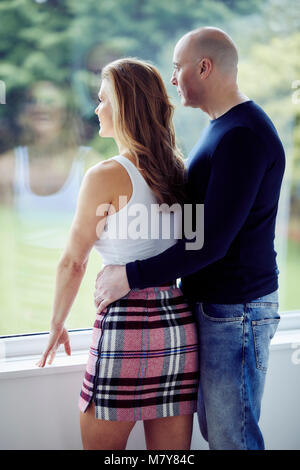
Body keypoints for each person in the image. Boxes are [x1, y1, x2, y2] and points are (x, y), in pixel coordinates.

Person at [94, 27, 286, 450]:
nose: (174, 78)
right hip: (218, 308)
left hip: (237, 310)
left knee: (229, 437)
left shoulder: (243, 136)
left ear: (205, 66)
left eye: (178, 68)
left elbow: (212, 241)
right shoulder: (223, 128)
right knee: (219, 433)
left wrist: (129, 275)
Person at [36, 58, 200, 450]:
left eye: (102, 99)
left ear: (124, 106)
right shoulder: (184, 171)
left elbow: (73, 262)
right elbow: (196, 249)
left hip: (124, 328)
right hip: (177, 328)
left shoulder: (105, 175)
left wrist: (57, 323)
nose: (96, 109)